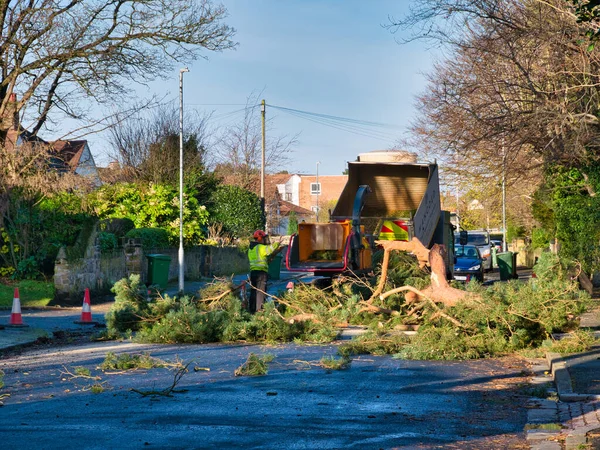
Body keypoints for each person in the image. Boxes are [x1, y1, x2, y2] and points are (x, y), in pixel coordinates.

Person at [247, 230, 281, 313]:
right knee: (261, 292)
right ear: (260, 238)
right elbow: (269, 249)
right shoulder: (260, 247)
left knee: (253, 291)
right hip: (261, 273)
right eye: (264, 238)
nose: (265, 240)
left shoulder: (250, 249)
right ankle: (259, 311)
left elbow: (260, 259)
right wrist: (278, 243)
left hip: (253, 272)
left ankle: (252, 310)